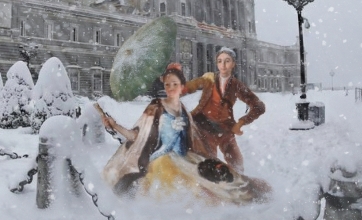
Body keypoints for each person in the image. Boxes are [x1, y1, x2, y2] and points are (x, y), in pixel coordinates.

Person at [100, 64, 270, 205]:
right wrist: (115, 126)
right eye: (167, 85)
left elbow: (194, 139)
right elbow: (136, 136)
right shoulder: (156, 107)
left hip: (186, 158)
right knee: (184, 191)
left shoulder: (184, 112)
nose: (171, 88)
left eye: (175, 84)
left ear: (182, 87)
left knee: (222, 184)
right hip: (162, 160)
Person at [183, 47, 265, 174]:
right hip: (205, 127)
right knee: (208, 163)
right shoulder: (209, 79)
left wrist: (241, 122)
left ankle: (239, 182)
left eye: (227, 61)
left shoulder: (237, 85)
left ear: (233, 64)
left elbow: (259, 106)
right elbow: (188, 87)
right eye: (220, 61)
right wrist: (177, 85)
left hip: (226, 128)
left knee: (237, 164)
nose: (223, 65)